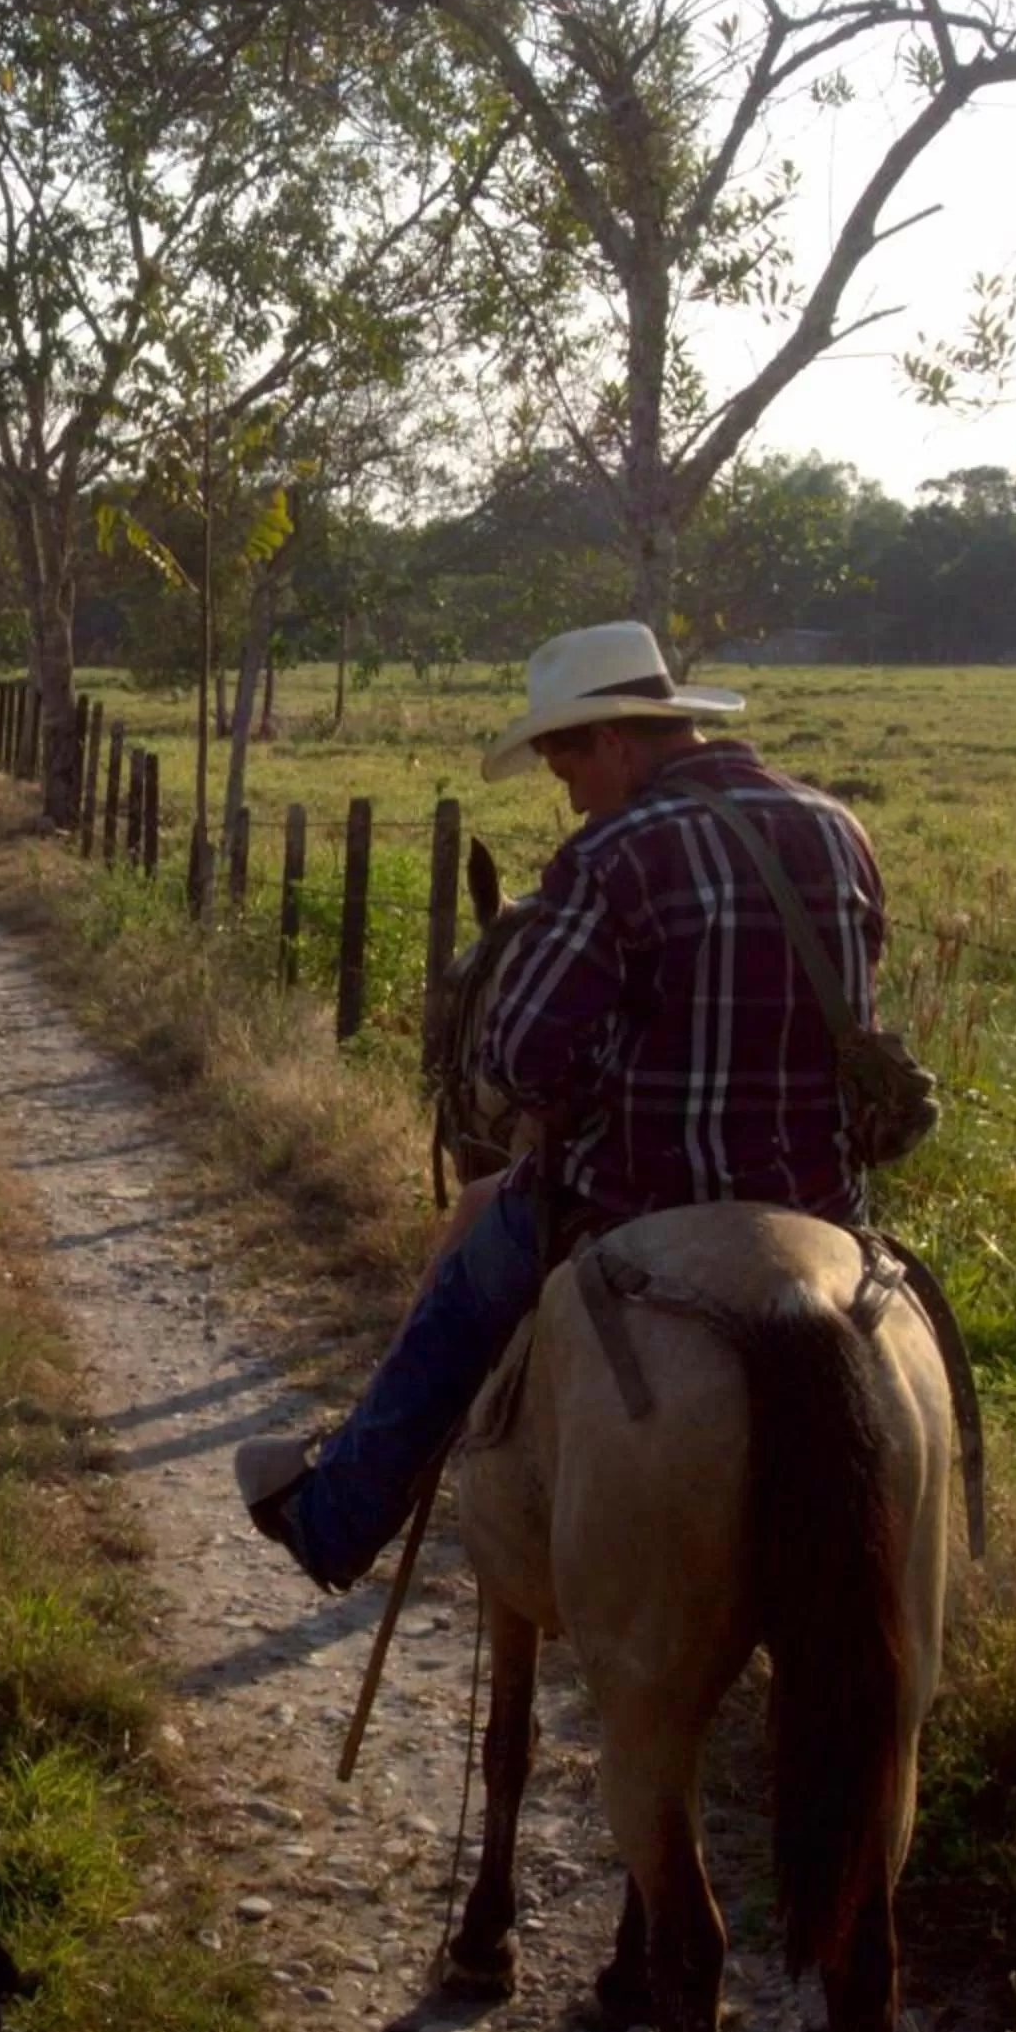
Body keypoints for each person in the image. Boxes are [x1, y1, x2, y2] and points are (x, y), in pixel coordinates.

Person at [235, 618, 886, 1594]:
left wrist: (572, 1093)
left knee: (461, 1295)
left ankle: (334, 1518)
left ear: (613, 741)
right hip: (822, 1209)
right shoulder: (837, 830)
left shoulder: (612, 852)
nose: (565, 789)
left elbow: (520, 1054)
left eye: (562, 763)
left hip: (631, 1200)